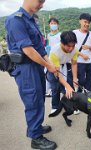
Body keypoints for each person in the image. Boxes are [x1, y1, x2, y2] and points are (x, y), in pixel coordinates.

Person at [5, 0, 57, 149]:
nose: (42, 4)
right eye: (40, 1)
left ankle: (36, 127)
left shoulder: (32, 20)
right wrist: (47, 65)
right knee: (33, 101)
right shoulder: (16, 20)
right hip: (26, 68)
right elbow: (28, 50)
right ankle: (36, 138)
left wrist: (50, 64)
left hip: (37, 65)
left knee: (39, 98)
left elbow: (40, 48)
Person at [47, 31, 78, 114]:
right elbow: (57, 73)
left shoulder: (75, 49)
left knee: (70, 86)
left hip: (65, 66)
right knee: (56, 88)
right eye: (68, 46)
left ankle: (72, 106)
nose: (71, 49)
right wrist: (67, 86)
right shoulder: (55, 51)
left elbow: (74, 64)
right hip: (53, 69)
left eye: (73, 45)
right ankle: (54, 106)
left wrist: (75, 78)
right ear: (62, 43)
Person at [73, 13, 91, 93]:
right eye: (85, 22)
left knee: (89, 83)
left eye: (88, 22)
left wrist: (89, 47)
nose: (87, 24)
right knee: (81, 81)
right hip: (79, 62)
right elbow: (72, 48)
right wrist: (81, 54)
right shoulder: (74, 33)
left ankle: (87, 101)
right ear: (80, 21)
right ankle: (79, 98)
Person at [45, 17, 61, 97]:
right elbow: (47, 45)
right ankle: (50, 90)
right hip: (49, 58)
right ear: (49, 25)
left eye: (55, 23)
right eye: (51, 23)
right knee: (49, 75)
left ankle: (61, 90)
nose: (53, 25)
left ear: (58, 25)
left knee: (59, 75)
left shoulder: (60, 35)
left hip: (58, 59)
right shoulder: (48, 35)